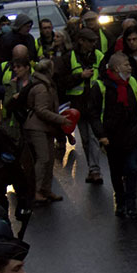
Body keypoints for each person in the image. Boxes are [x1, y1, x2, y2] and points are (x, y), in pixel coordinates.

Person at [89, 53, 137, 220]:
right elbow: (93, 114)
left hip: (131, 137)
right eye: (126, 64)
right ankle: (121, 202)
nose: (129, 67)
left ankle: (131, 205)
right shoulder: (100, 87)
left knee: (132, 169)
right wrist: (101, 135)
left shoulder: (132, 83)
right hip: (112, 139)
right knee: (116, 172)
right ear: (116, 68)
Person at [58, 30, 105, 184]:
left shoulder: (98, 56)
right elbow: (62, 82)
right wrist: (80, 76)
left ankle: (95, 170)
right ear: (81, 41)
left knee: (93, 137)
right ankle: (92, 169)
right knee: (84, 138)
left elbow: (105, 75)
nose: (93, 44)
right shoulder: (68, 58)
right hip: (78, 105)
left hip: (94, 104)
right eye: (90, 41)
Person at [22, 59, 71, 205]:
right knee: (43, 159)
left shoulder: (43, 84)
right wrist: (60, 119)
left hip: (45, 127)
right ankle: (37, 191)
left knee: (48, 160)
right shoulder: (43, 87)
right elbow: (41, 110)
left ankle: (45, 189)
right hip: (38, 127)